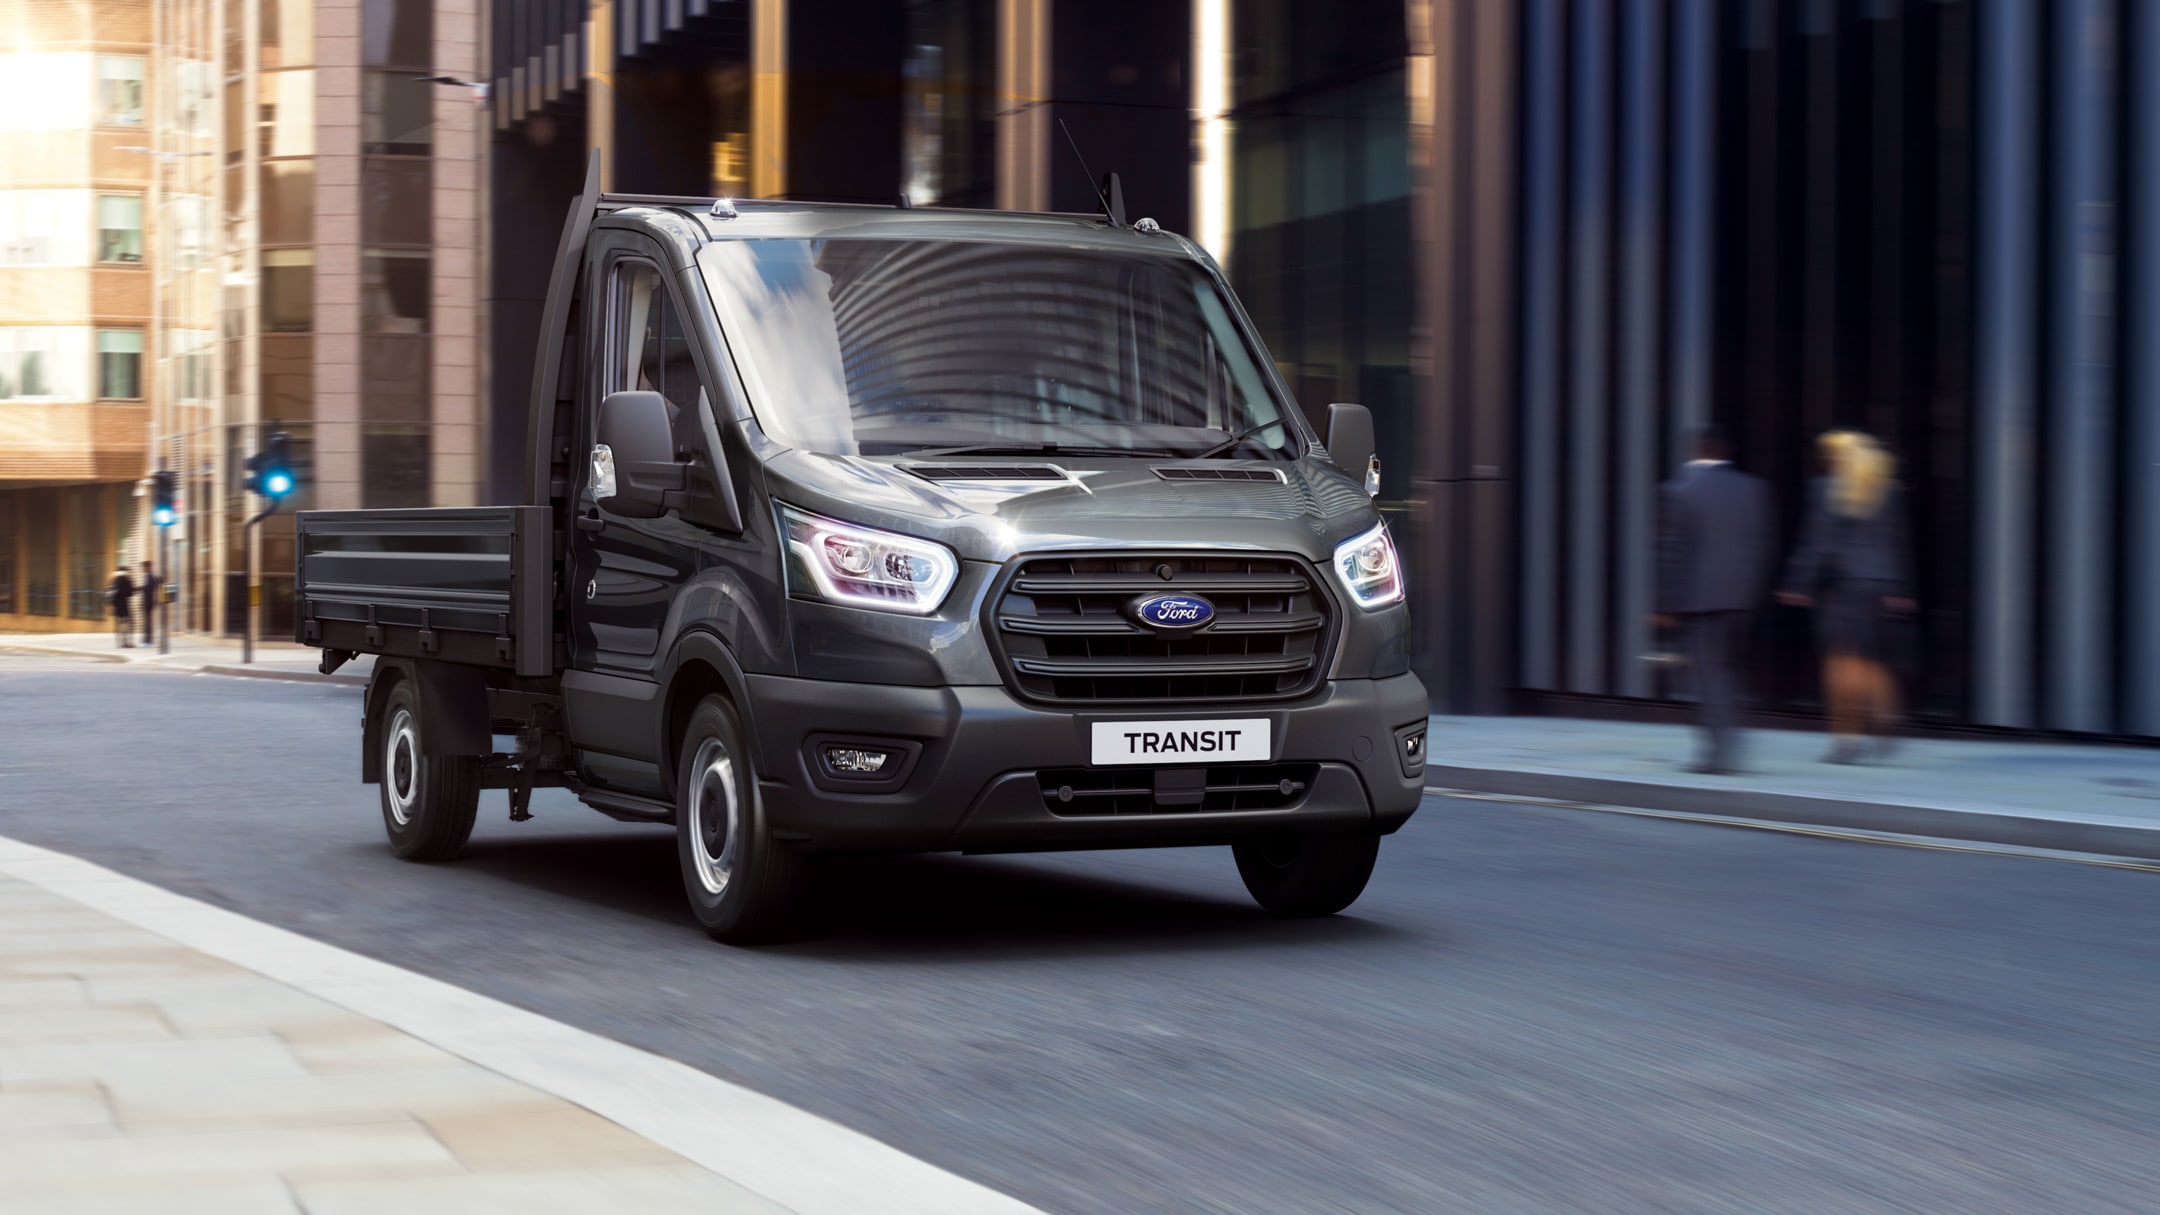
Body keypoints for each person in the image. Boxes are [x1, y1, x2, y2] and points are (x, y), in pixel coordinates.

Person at [1776, 430, 1915, 763]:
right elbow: (1896, 542)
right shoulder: (1885, 490)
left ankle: (1846, 740)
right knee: (1869, 660)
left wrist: (1797, 582)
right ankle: (1886, 717)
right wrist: (1900, 589)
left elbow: (1816, 542)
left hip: (1838, 585)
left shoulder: (1824, 488)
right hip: (1875, 585)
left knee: (1840, 663)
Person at [1653, 425, 1775, 775]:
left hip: (1698, 600)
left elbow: (1670, 552)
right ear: (1726, 452)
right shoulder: (1753, 489)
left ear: (1696, 451)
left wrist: (1663, 603)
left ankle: (1717, 752)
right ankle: (1729, 738)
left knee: (1708, 677)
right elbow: (1761, 545)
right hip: (1740, 599)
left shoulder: (1681, 491)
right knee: (1728, 671)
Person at [107, 566, 135, 649]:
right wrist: (130, 581)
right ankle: (125, 642)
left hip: (116, 605)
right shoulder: (125, 580)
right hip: (123, 605)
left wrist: (113, 604)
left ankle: (120, 642)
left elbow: (110, 593)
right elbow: (129, 593)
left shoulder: (114, 581)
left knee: (120, 623)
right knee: (125, 623)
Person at [138, 560, 162, 647]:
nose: (143, 569)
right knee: (147, 621)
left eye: (144, 567)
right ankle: (147, 639)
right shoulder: (150, 576)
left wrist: (141, 589)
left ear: (148, 567)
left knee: (147, 622)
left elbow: (149, 589)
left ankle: (148, 640)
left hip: (149, 601)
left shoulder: (150, 576)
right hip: (148, 601)